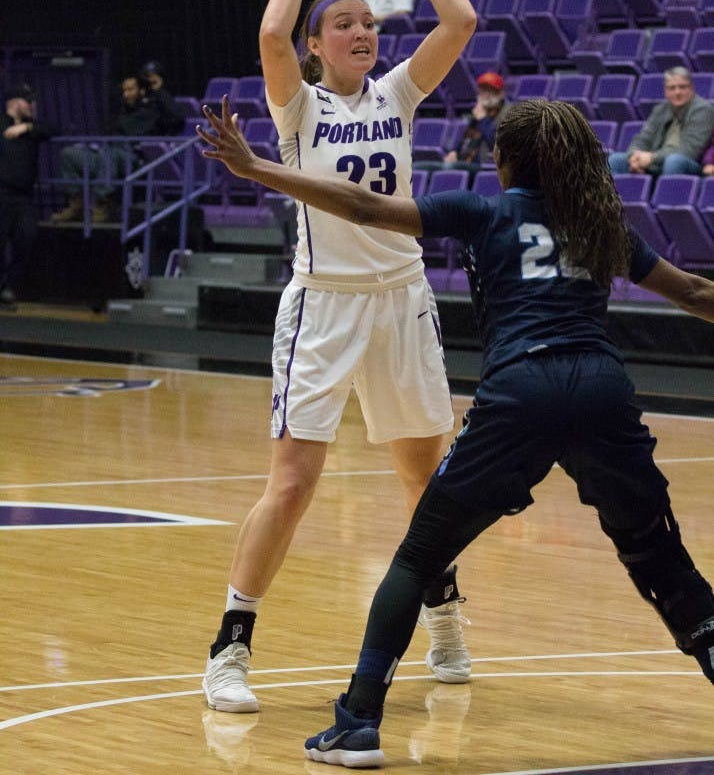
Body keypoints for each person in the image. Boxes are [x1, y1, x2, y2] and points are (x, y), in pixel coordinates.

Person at [199, 95, 714, 768]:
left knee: (418, 557)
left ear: (503, 161)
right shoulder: (602, 220)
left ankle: (357, 723)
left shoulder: (485, 210)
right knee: (660, 559)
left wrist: (258, 167)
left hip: (520, 394)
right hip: (601, 389)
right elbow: (699, 296)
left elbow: (362, 207)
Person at [200, 0, 477, 714]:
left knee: (427, 481)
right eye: (345, 24)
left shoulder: (396, 94)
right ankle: (230, 649)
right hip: (323, 306)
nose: (363, 31)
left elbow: (458, 20)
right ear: (319, 46)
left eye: (369, 23)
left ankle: (445, 616)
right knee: (293, 483)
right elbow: (268, 32)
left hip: (401, 299)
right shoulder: (300, 107)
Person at [50, 72, 186, 223]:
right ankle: (76, 206)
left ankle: (102, 204)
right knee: (69, 154)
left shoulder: (154, 110)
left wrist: (159, 90)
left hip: (136, 159)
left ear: (141, 91)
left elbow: (178, 117)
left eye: (130, 90)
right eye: (124, 90)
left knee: (112, 154)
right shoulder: (122, 111)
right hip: (107, 156)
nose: (126, 94)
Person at [0, 83, 53, 309]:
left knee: (27, 238)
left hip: (23, 196)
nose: (31, 105)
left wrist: (26, 128)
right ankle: (3, 290)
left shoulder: (32, 129)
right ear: (14, 103)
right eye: (27, 101)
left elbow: (52, 130)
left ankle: (9, 285)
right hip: (1, 193)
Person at [608, 67, 714, 177]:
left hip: (687, 164)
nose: (677, 92)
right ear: (665, 91)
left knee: (674, 161)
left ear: (691, 88)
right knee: (615, 160)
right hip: (657, 160)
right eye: (672, 88)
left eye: (682, 87)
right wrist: (634, 157)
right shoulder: (660, 109)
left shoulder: (703, 110)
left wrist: (652, 158)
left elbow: (689, 151)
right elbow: (643, 139)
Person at [440, 71, 507, 174]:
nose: (486, 95)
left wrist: (483, 119)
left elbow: (494, 144)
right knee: (421, 167)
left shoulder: (506, 113)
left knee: (451, 167)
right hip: (465, 161)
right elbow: (466, 137)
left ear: (500, 93)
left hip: (486, 165)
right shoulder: (479, 111)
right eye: (483, 90)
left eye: (491, 91)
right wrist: (454, 152)